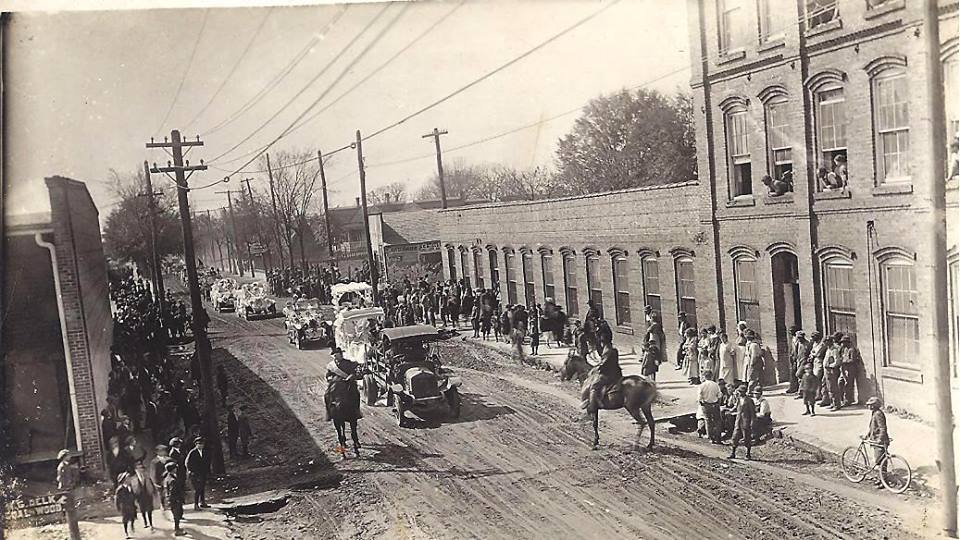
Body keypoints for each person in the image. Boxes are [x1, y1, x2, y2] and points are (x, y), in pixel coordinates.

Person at [584, 335, 621, 410]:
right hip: (617, 373)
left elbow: (604, 364)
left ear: (602, 343)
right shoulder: (614, 350)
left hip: (609, 374)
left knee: (594, 386)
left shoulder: (607, 351)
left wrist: (596, 369)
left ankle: (593, 405)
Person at [865, 396, 889, 487]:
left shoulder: (878, 414)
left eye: (870, 405)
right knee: (879, 461)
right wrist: (867, 435)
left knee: (881, 461)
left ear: (874, 406)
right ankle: (880, 479)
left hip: (880, 441)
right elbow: (873, 427)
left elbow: (883, 428)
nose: (869, 406)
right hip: (876, 440)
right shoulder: (874, 413)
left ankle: (884, 481)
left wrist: (880, 439)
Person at [729, 385, 756, 460]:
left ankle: (748, 454)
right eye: (739, 391)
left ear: (744, 392)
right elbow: (736, 407)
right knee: (735, 437)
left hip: (746, 421)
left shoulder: (749, 400)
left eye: (741, 392)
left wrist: (752, 422)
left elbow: (753, 413)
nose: (739, 393)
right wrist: (730, 410)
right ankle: (733, 453)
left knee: (747, 437)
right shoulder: (738, 399)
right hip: (738, 421)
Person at [185, 436, 211, 510]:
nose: (201, 445)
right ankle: (196, 504)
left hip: (202, 473)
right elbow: (187, 463)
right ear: (196, 444)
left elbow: (207, 462)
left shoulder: (205, 452)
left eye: (202, 444)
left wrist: (207, 471)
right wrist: (192, 471)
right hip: (195, 474)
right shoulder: (192, 453)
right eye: (199, 444)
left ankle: (202, 502)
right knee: (197, 489)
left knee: (202, 488)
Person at [697, 370, 723, 444]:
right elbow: (719, 395)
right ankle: (718, 437)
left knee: (708, 421)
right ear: (711, 376)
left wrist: (701, 403)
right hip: (714, 404)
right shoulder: (715, 385)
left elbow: (699, 397)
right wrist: (718, 403)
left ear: (704, 376)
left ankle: (711, 438)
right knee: (717, 421)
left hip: (706, 404)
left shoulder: (702, 385)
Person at [162, 461, 186, 536]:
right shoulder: (172, 480)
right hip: (175, 500)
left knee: (177, 515)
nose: (176, 469)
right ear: (173, 469)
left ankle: (177, 528)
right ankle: (177, 530)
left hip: (173, 500)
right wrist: (177, 499)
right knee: (177, 515)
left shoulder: (168, 477)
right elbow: (172, 492)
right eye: (175, 468)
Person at [839, 334, 862, 406]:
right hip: (844, 368)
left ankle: (848, 400)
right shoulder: (844, 349)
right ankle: (843, 399)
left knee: (848, 384)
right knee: (841, 383)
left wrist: (844, 361)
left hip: (850, 368)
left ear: (847, 342)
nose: (842, 344)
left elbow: (852, 360)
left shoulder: (851, 349)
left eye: (844, 342)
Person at [116, 472, 138, 538]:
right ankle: (126, 532)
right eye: (128, 478)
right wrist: (118, 507)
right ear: (124, 480)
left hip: (131, 505)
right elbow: (117, 499)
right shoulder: (120, 489)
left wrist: (134, 502)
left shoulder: (130, 487)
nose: (129, 479)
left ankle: (132, 527)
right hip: (125, 506)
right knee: (125, 519)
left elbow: (133, 495)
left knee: (132, 517)